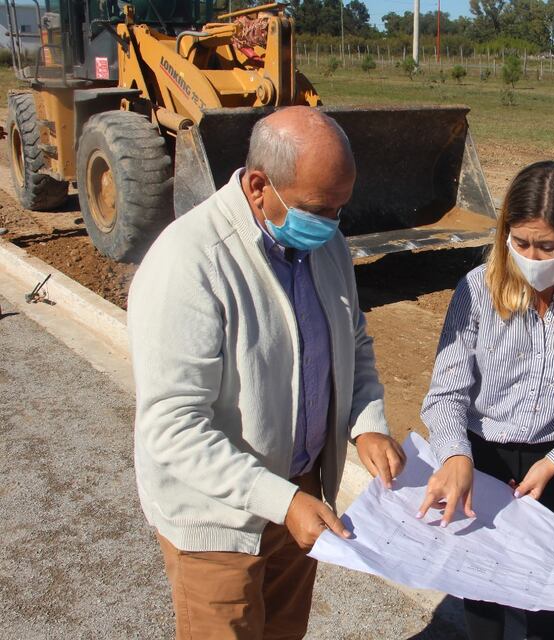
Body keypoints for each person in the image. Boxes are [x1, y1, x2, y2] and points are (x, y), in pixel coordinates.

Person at [128, 106, 406, 639]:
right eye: (319, 209)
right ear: (259, 186)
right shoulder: (189, 264)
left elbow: (354, 341)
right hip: (217, 518)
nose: (331, 225)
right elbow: (174, 429)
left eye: (340, 210)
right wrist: (282, 500)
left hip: (299, 493)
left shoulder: (326, 247)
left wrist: (366, 419)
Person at [417, 160, 554, 640]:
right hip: (482, 464)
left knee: (550, 611)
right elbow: (446, 394)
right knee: (482, 601)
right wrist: (456, 454)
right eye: (520, 243)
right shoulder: (476, 291)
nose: (532, 257)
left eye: (548, 246)